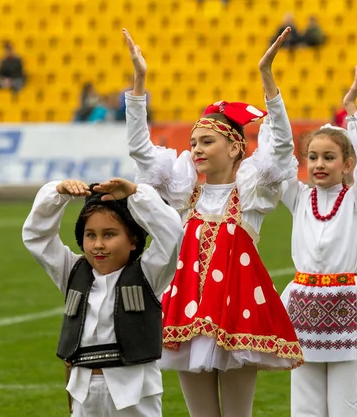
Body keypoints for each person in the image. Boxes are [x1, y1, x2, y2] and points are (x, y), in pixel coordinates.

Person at [122, 27, 304, 417]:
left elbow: (283, 148)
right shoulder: (185, 191)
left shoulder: (252, 189)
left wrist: (268, 79)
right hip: (186, 311)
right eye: (193, 143)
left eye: (207, 142)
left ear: (235, 146)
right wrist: (139, 84)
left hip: (237, 313)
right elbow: (139, 148)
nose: (197, 150)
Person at [22, 177, 183, 417]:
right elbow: (37, 238)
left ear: (133, 240)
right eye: (90, 235)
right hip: (83, 390)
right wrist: (57, 194)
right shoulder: (71, 272)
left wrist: (135, 193)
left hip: (134, 390)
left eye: (109, 235)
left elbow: (172, 237)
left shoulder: (149, 274)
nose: (98, 245)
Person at [276, 67, 357, 416]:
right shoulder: (299, 198)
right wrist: (272, 98)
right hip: (302, 304)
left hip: (345, 304)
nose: (319, 164)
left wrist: (352, 112)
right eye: (313, 157)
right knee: (304, 403)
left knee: (348, 402)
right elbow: (277, 161)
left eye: (329, 157)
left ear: (347, 164)